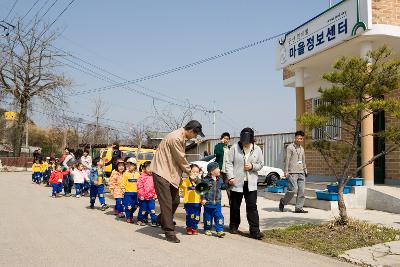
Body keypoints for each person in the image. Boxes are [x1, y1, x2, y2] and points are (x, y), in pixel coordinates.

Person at [150, 120, 205, 243]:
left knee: (175, 200)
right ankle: (169, 231)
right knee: (167, 203)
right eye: (195, 134)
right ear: (191, 131)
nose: (195, 137)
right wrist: (190, 172)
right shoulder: (176, 138)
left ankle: (160, 220)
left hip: (170, 173)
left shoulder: (181, 137)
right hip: (161, 172)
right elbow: (180, 158)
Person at [226, 127, 264, 240]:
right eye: (243, 142)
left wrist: (252, 166)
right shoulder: (234, 148)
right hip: (237, 182)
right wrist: (230, 177)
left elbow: (261, 164)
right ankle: (233, 226)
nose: (245, 144)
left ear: (252, 139)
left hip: (251, 183)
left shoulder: (257, 149)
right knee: (235, 206)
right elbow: (228, 163)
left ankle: (255, 231)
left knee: (252, 207)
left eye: (247, 142)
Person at [279, 131, 308, 214]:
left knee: (302, 190)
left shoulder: (302, 149)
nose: (299, 140)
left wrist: (305, 169)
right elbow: (287, 159)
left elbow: (303, 160)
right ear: (295, 138)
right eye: (298, 138)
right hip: (292, 172)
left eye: (301, 138)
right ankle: (283, 201)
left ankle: (299, 208)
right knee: (293, 189)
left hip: (301, 172)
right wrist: (286, 171)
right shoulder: (290, 147)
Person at [201, 162, 228, 238]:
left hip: (217, 204)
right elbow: (202, 191)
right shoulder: (205, 180)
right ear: (212, 171)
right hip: (208, 203)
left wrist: (228, 184)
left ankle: (219, 230)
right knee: (208, 217)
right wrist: (203, 199)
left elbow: (222, 186)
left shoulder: (220, 180)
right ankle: (207, 229)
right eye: (217, 168)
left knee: (219, 216)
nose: (219, 169)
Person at [180, 164, 202, 235]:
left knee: (197, 216)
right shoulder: (186, 181)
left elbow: (203, 190)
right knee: (190, 215)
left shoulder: (199, 181)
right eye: (193, 171)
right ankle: (189, 227)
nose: (195, 173)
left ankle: (194, 227)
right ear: (189, 172)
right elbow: (181, 186)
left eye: (197, 172)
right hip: (188, 202)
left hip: (197, 202)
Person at [137, 161, 158, 226]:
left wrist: (155, 194)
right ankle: (140, 220)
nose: (150, 170)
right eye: (148, 168)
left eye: (152, 168)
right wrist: (141, 195)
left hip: (151, 197)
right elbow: (139, 187)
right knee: (143, 210)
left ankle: (154, 220)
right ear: (144, 168)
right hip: (143, 197)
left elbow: (156, 187)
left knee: (152, 209)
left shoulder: (154, 177)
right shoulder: (142, 177)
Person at [214, 132, 231, 204]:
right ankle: (217, 202)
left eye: (227, 139)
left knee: (229, 188)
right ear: (221, 139)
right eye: (225, 138)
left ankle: (231, 203)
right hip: (220, 171)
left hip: (227, 171)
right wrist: (221, 144)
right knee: (218, 187)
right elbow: (217, 153)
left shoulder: (229, 148)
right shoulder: (218, 146)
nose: (226, 140)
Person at [121, 157, 140, 224]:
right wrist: (123, 190)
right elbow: (123, 182)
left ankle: (130, 213)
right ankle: (129, 217)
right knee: (128, 206)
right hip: (128, 193)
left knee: (135, 206)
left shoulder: (138, 174)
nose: (128, 166)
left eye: (130, 165)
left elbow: (139, 183)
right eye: (127, 165)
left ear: (135, 165)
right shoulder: (125, 174)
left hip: (136, 194)